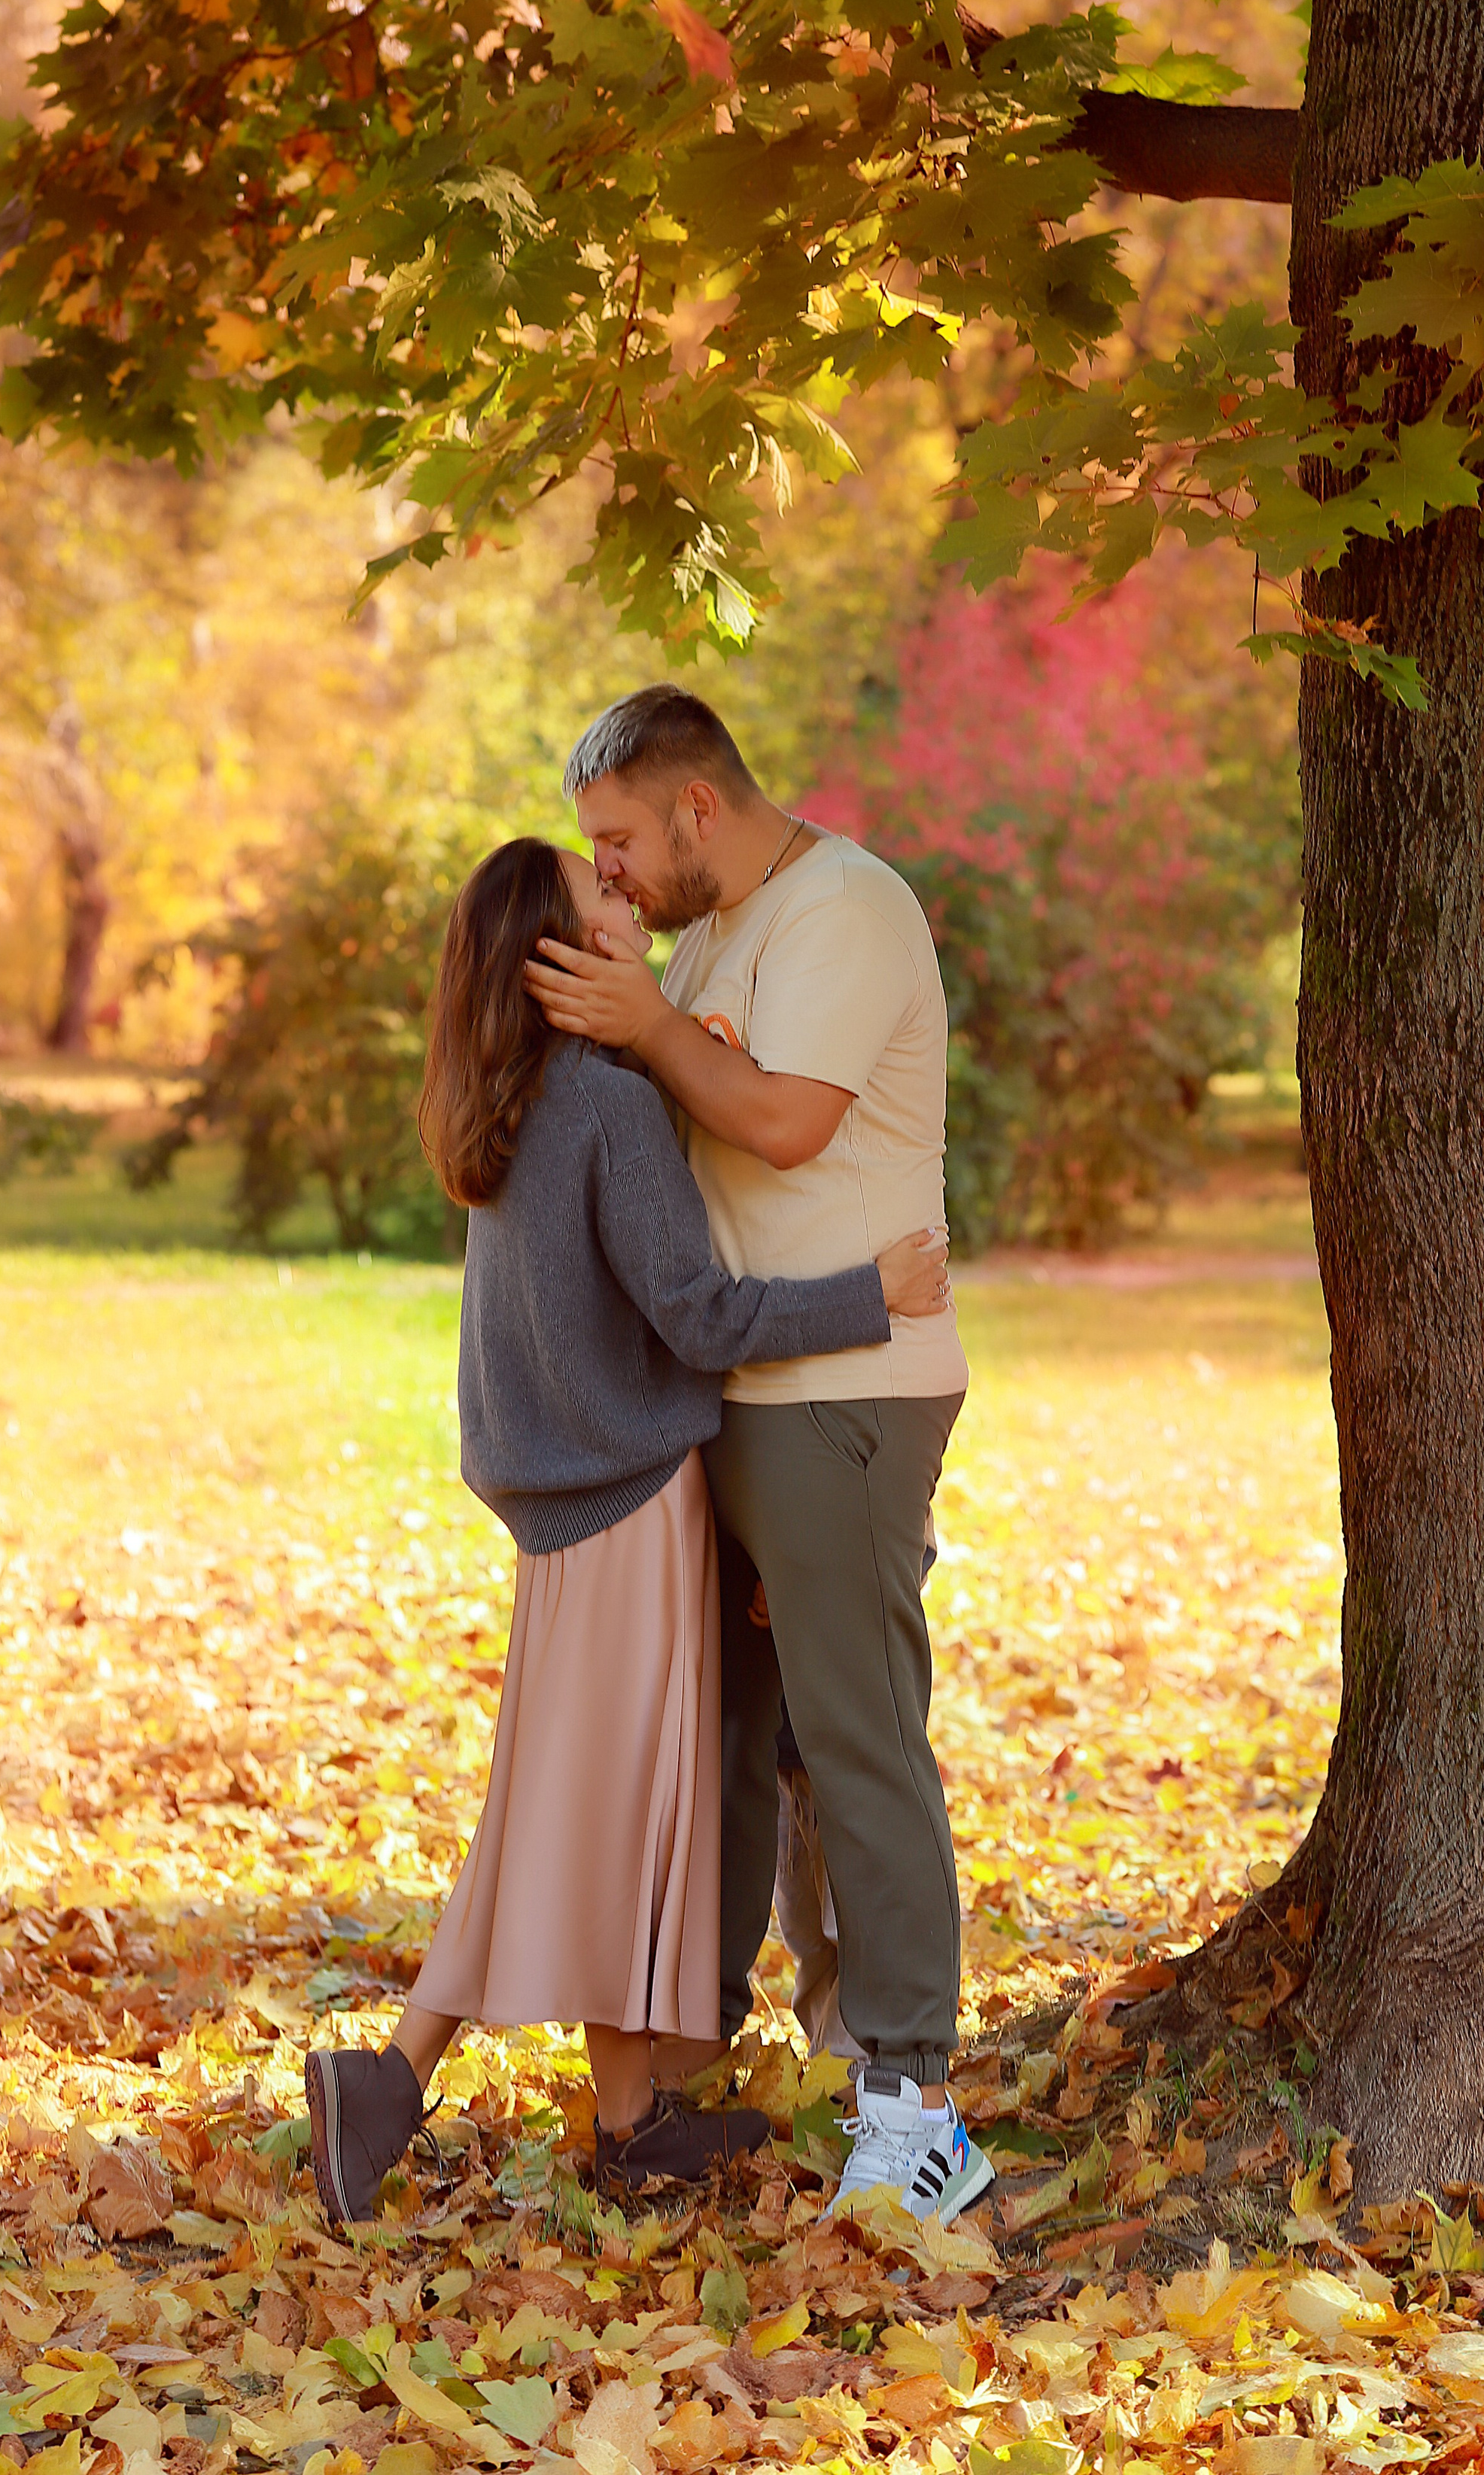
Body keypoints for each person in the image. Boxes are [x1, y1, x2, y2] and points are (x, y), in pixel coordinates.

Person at [304, 837, 953, 2224]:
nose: (629, 898)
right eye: (601, 897)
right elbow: (702, 1315)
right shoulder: (602, 1106)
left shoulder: (514, 1103)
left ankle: (600, 2114)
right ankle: (413, 2081)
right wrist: (874, 1291)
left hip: (557, 1513)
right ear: (560, 955)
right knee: (607, 1815)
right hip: (634, 1507)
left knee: (569, 1806)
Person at [525, 685, 994, 2226]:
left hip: (844, 1389)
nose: (609, 874)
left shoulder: (841, 912)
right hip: (739, 1387)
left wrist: (649, 1019)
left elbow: (786, 1121)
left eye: (617, 842)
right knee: (725, 1738)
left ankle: (912, 2096)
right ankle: (695, 2052)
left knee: (854, 1727)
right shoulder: (703, 939)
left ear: (696, 809)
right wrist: (627, 968)